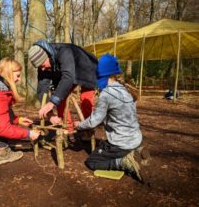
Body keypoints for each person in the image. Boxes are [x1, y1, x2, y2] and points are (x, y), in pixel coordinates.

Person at [74, 53, 144, 182]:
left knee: (92, 162)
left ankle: (122, 162)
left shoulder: (106, 94)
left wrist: (79, 125)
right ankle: (135, 148)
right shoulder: (125, 89)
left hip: (121, 143)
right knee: (103, 147)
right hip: (136, 137)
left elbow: (94, 121)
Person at [28, 40, 98, 131]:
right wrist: (49, 114)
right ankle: (67, 127)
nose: (43, 69)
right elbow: (42, 88)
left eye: (42, 65)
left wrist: (52, 102)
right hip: (64, 72)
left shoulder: (64, 52)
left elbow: (68, 77)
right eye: (40, 67)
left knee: (86, 98)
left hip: (86, 69)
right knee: (59, 98)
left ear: (48, 56)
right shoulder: (43, 67)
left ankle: (88, 128)